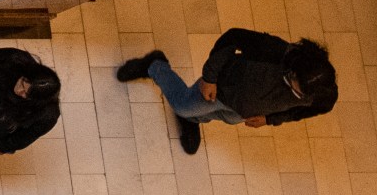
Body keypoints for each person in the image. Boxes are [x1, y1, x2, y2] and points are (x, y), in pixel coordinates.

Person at [117, 28, 336, 153]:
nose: (290, 91)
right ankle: (155, 66)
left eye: (296, 94)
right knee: (183, 105)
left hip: (240, 112)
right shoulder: (275, 51)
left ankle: (192, 120)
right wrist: (210, 77)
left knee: (213, 116)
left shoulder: (321, 97)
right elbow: (232, 38)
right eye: (289, 81)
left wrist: (270, 120)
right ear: (293, 68)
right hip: (222, 88)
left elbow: (298, 113)